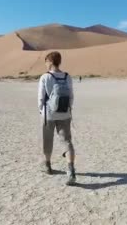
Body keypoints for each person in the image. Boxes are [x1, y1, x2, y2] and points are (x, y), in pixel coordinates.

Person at [38, 51, 76, 185]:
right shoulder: (67, 76)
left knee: (48, 140)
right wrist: (68, 109)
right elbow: (71, 96)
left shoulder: (45, 77)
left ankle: (47, 166)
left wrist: (42, 112)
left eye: (46, 61)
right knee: (67, 141)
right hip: (65, 114)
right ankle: (71, 170)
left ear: (49, 61)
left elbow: (41, 98)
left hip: (49, 114)